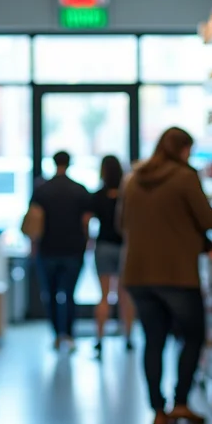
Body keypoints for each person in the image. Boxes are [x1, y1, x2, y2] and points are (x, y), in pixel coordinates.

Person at [119, 127, 212, 424]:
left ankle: (158, 411)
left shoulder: (132, 179)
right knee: (193, 336)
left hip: (138, 273)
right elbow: (207, 218)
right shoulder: (185, 177)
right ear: (182, 149)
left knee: (153, 341)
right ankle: (181, 402)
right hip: (176, 274)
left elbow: (122, 223)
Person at [28, 151, 91, 349]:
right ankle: (69, 335)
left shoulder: (42, 190)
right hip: (73, 249)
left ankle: (57, 335)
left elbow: (33, 220)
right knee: (70, 294)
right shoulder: (79, 190)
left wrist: (33, 246)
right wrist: (87, 243)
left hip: (48, 249)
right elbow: (86, 221)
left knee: (51, 294)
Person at [89, 155, 134, 356]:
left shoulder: (98, 195)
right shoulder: (127, 196)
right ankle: (128, 337)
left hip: (104, 246)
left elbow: (86, 221)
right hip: (124, 247)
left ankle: (99, 339)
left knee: (104, 296)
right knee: (125, 296)